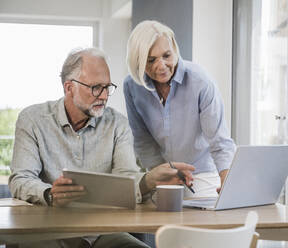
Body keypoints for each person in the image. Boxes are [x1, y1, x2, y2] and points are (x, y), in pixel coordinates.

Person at [9, 47, 194, 248]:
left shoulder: (118, 124)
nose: (104, 96)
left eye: (107, 87)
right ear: (69, 87)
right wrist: (49, 194)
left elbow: (126, 178)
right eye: (96, 87)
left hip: (101, 234)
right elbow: (21, 179)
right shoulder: (33, 120)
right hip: (47, 232)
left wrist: (149, 180)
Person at [123, 20, 236, 198]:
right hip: (163, 173)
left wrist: (227, 183)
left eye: (167, 55)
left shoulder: (200, 81)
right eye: (151, 60)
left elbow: (220, 142)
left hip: (202, 173)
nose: (161, 66)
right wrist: (160, 173)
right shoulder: (132, 86)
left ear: (174, 50)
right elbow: (143, 140)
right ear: (138, 61)